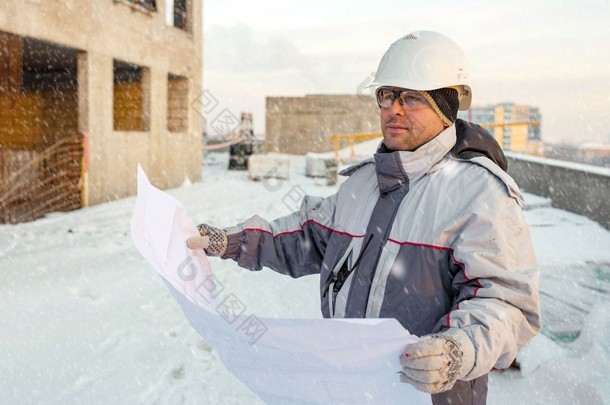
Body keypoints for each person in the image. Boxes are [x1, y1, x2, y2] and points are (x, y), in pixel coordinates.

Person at [187, 30, 540, 405]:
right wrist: (233, 240)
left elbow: (506, 303)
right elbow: (305, 235)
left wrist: (458, 350)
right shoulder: (364, 182)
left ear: (445, 106)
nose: (393, 109)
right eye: (386, 96)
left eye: (411, 98)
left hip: (429, 397)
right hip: (350, 389)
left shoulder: (480, 193)